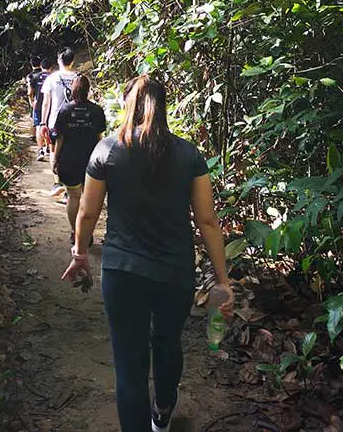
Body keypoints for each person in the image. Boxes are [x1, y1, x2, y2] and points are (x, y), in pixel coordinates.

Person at [62, 75, 233, 432]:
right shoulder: (189, 154)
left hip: (122, 272)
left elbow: (88, 213)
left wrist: (80, 253)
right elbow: (207, 220)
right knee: (168, 343)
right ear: (164, 107)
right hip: (174, 272)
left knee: (129, 365)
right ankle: (163, 411)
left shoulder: (108, 150)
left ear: (128, 106)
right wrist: (223, 279)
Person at [53, 74, 106, 243]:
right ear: (88, 90)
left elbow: (59, 138)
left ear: (73, 90)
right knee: (89, 197)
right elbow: (99, 137)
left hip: (69, 159)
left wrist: (55, 158)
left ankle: (75, 232)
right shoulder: (97, 111)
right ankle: (86, 233)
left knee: (73, 196)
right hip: (91, 160)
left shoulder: (65, 110)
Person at [40, 47, 77, 194]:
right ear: (72, 61)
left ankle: (57, 182)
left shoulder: (52, 78)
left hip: (54, 121)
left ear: (58, 60)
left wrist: (43, 122)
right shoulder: (78, 78)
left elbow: (46, 102)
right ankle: (70, 188)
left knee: (53, 151)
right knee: (71, 152)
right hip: (74, 121)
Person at [29, 57, 53, 160]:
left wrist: (31, 102)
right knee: (49, 126)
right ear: (51, 67)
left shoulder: (35, 77)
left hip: (38, 105)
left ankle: (40, 150)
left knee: (39, 126)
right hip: (51, 105)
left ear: (41, 66)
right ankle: (48, 147)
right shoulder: (53, 77)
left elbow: (30, 92)